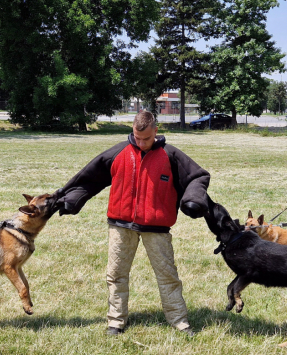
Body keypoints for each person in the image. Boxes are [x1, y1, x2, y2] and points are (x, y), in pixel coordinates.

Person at [54, 110, 210, 336]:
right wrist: (70, 198)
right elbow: (89, 178)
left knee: (167, 276)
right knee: (116, 274)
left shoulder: (171, 155)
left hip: (156, 228)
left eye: (146, 138)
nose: (141, 142)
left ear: (156, 131)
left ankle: (179, 321)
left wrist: (193, 199)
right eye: (137, 137)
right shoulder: (118, 152)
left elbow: (198, 176)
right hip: (120, 224)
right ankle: (116, 321)